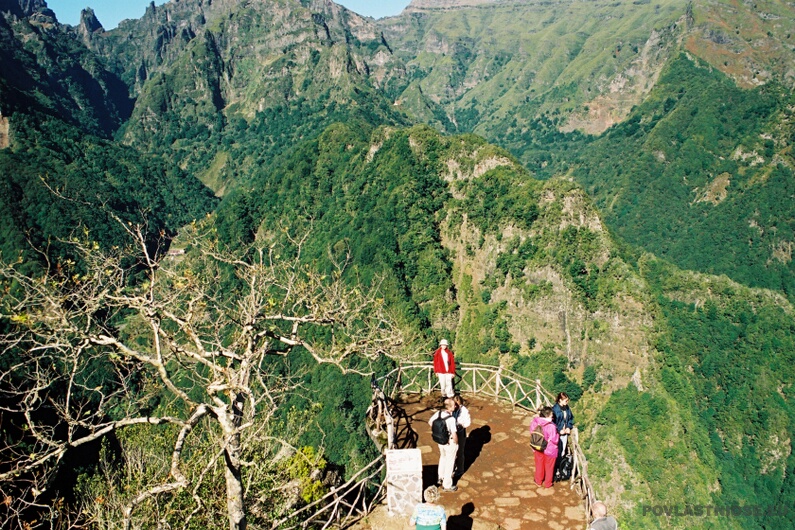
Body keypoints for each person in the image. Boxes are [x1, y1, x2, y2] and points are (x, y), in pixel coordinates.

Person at [428, 397, 459, 491]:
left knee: (443, 457)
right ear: (451, 407)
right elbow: (454, 434)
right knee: (450, 462)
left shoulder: (438, 413)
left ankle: (440, 477)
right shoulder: (451, 419)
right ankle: (447, 485)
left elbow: (430, 422)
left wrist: (438, 432)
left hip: (440, 441)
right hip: (449, 442)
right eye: (454, 405)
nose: (455, 406)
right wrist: (456, 443)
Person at [529, 406, 559, 488]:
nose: (552, 416)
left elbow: (531, 432)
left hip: (537, 446)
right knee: (549, 467)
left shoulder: (535, 422)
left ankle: (538, 481)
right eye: (551, 414)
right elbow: (555, 440)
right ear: (547, 415)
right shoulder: (551, 426)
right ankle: (548, 483)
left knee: (539, 464)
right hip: (549, 449)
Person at [452, 393, 471, 479]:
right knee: (451, 451)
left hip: (460, 432)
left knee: (460, 452)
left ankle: (460, 469)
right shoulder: (450, 409)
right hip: (452, 432)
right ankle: (451, 468)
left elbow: (468, 422)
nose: (456, 406)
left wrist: (461, 425)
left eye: (458, 404)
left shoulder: (464, 411)